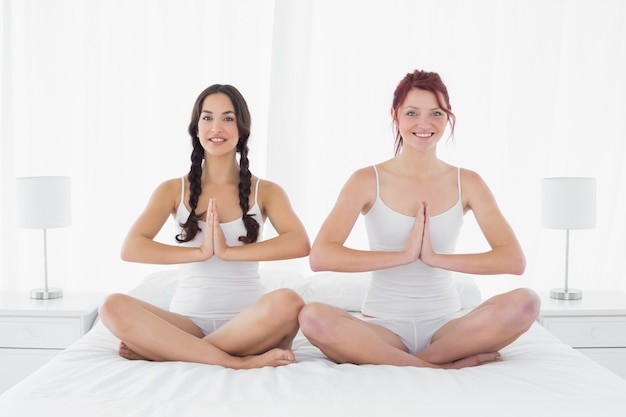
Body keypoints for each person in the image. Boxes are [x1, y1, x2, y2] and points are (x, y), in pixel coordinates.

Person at [298, 69, 540, 369]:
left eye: (435, 113)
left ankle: (414, 362)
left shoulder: (468, 182)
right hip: (382, 328)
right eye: (412, 113)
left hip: (446, 329)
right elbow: (321, 256)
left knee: (527, 302)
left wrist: (435, 258)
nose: (424, 124)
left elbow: (513, 261)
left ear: (447, 117)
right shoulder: (366, 180)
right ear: (395, 116)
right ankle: (439, 367)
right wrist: (402, 256)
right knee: (312, 316)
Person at [99, 84, 310, 369]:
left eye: (228, 118)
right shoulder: (173, 190)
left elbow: (299, 243)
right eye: (208, 118)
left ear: (242, 129)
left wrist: (227, 252)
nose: (216, 127)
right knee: (111, 306)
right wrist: (200, 252)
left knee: (289, 301)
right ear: (196, 128)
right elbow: (132, 248)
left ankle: (170, 352)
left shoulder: (267, 191)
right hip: (186, 325)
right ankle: (237, 362)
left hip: (248, 324)